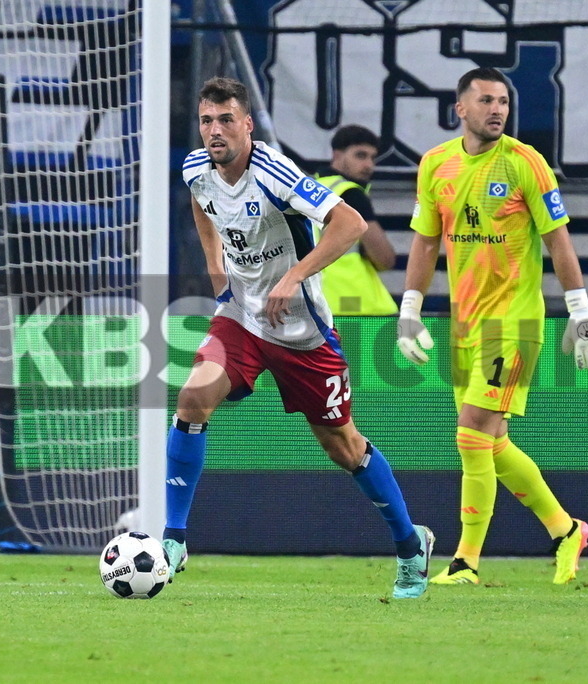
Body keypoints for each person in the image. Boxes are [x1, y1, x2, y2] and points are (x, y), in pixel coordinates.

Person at [167, 76, 433, 598]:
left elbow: (350, 224)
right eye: (206, 121)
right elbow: (203, 204)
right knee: (193, 397)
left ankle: (410, 544)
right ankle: (173, 538)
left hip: (303, 331)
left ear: (247, 124)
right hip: (242, 318)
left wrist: (292, 277)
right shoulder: (196, 168)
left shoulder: (274, 171)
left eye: (226, 120)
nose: (215, 130)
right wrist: (217, 271)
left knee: (343, 446)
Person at [397, 67, 588, 585]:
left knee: (470, 433)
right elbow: (426, 241)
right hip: (464, 324)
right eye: (487, 100)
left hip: (512, 321)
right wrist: (409, 310)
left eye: (504, 102)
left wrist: (580, 311)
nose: (497, 110)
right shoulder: (435, 164)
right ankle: (566, 530)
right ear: (460, 108)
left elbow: (557, 239)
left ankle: (465, 561)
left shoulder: (524, 162)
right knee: (491, 443)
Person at [313, 125, 398, 315]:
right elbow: (384, 259)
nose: (369, 165)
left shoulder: (310, 189)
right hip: (354, 303)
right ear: (337, 155)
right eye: (360, 155)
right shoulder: (349, 193)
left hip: (318, 302)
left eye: (372, 158)